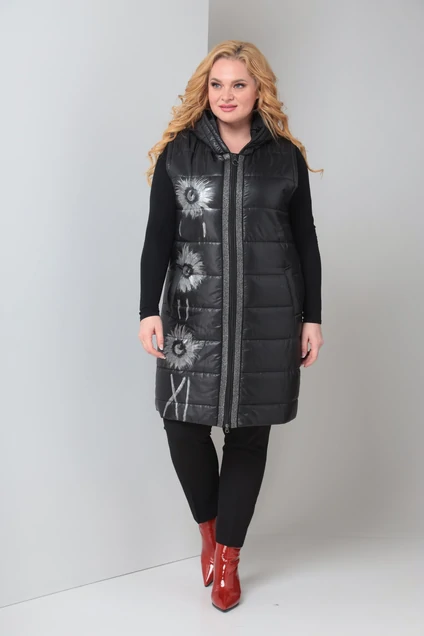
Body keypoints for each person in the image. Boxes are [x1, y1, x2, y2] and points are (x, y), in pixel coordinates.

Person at [138, 40, 324, 612]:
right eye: (217, 84)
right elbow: (158, 237)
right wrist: (148, 309)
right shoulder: (179, 153)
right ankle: (210, 531)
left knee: (248, 435)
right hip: (192, 314)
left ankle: (229, 561)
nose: (226, 95)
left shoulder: (285, 157)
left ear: (258, 89)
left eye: (238, 84)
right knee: (181, 425)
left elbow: (306, 241)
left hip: (270, 315)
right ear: (205, 89)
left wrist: (313, 317)